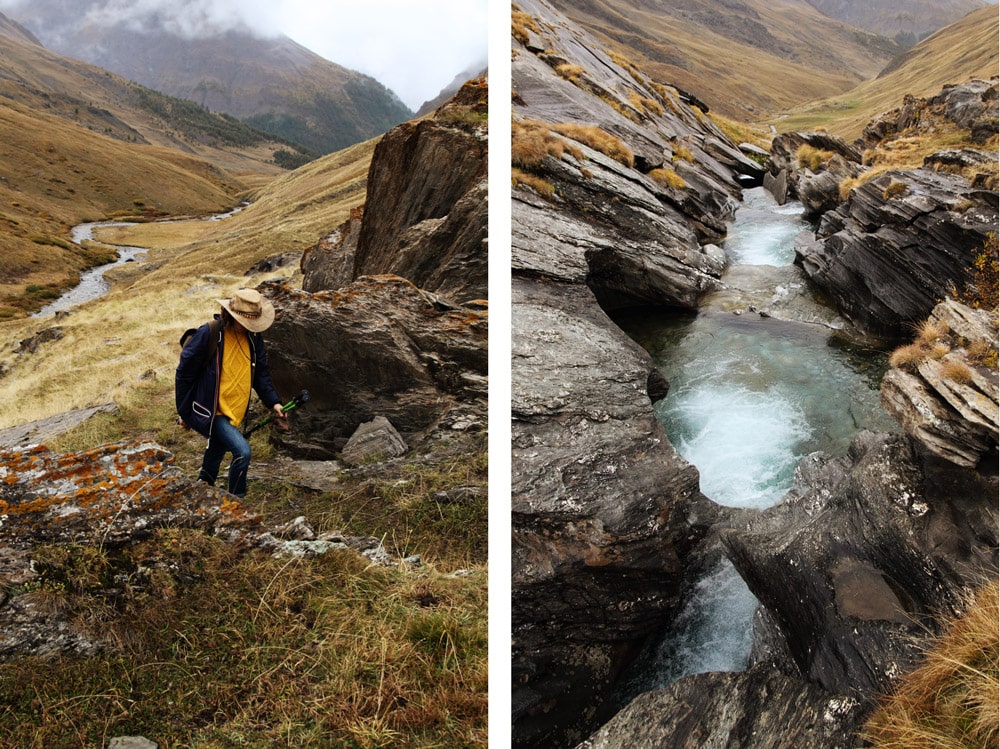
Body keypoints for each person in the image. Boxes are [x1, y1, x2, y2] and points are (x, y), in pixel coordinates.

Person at [175, 287, 288, 498]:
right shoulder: (209, 333)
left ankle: (203, 483)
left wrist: (274, 402)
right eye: (243, 322)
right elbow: (184, 374)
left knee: (217, 448)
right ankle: (237, 500)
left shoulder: (254, 338)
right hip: (212, 409)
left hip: (236, 409)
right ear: (230, 314)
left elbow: (260, 375)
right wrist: (183, 412)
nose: (247, 327)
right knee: (242, 452)